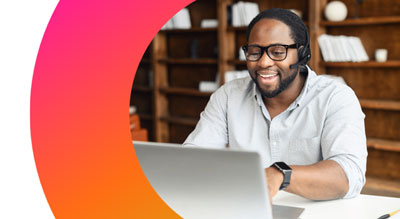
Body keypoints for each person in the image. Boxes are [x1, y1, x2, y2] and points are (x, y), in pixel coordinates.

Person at [183, 8, 367, 201]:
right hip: (246, 208)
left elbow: (349, 175)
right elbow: (192, 158)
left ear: (302, 53)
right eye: (254, 52)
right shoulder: (228, 96)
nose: (263, 62)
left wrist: (280, 175)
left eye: (277, 52)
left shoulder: (335, 97)